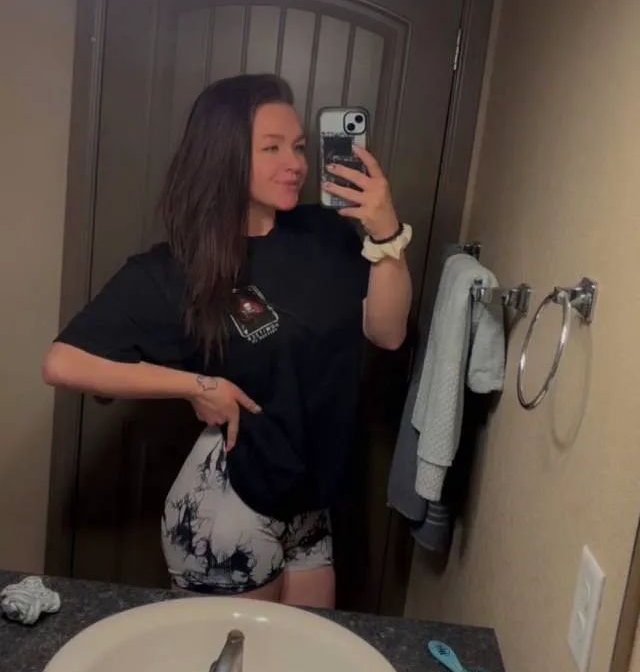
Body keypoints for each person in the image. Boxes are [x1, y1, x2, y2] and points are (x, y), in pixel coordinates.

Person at [42, 74, 412, 608]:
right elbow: (63, 363)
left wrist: (386, 233)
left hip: (310, 507)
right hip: (229, 506)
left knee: (303, 656)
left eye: (299, 147)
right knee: (228, 663)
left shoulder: (328, 233)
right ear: (226, 155)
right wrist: (198, 385)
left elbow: (387, 332)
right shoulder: (176, 269)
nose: (296, 163)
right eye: (272, 148)